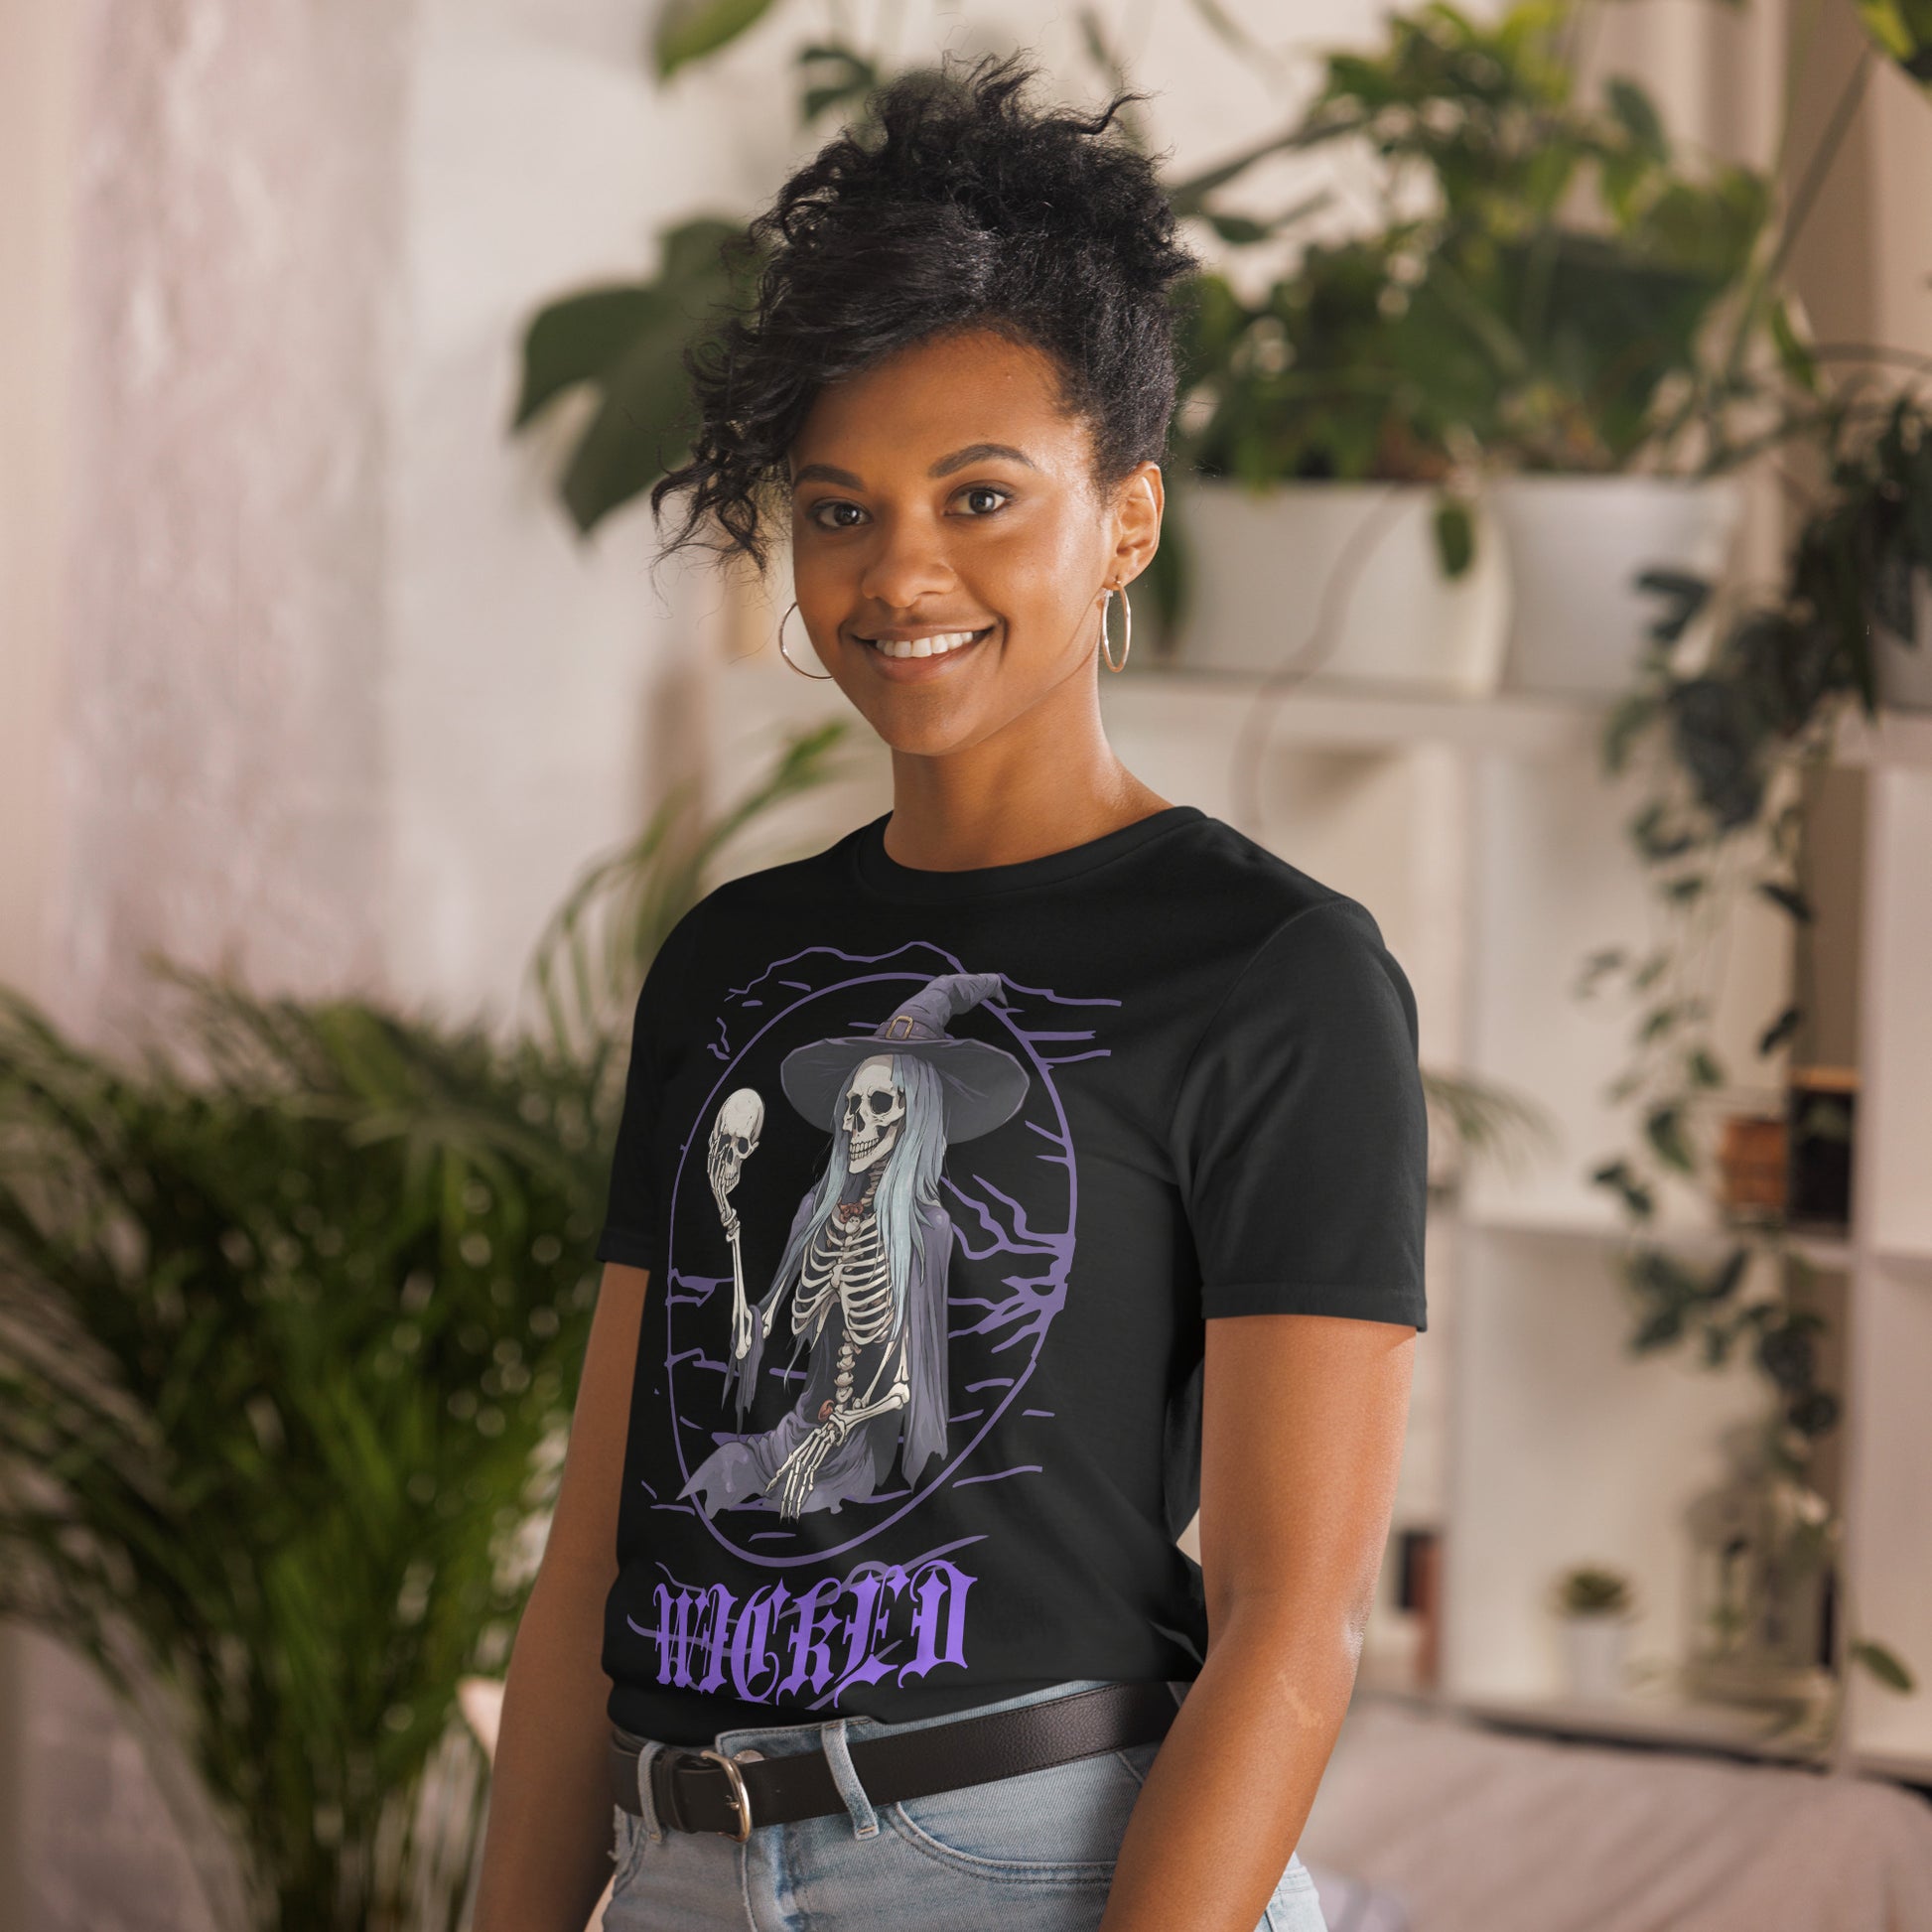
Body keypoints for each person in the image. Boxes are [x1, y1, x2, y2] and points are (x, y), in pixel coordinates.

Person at [472, 49, 1425, 1932]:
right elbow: (594, 1552)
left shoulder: (1271, 970)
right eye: (839, 510)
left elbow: (1290, 1622)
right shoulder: (729, 959)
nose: (899, 572)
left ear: (1125, 519)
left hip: (1031, 1864)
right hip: (679, 1864)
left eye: (980, 496)